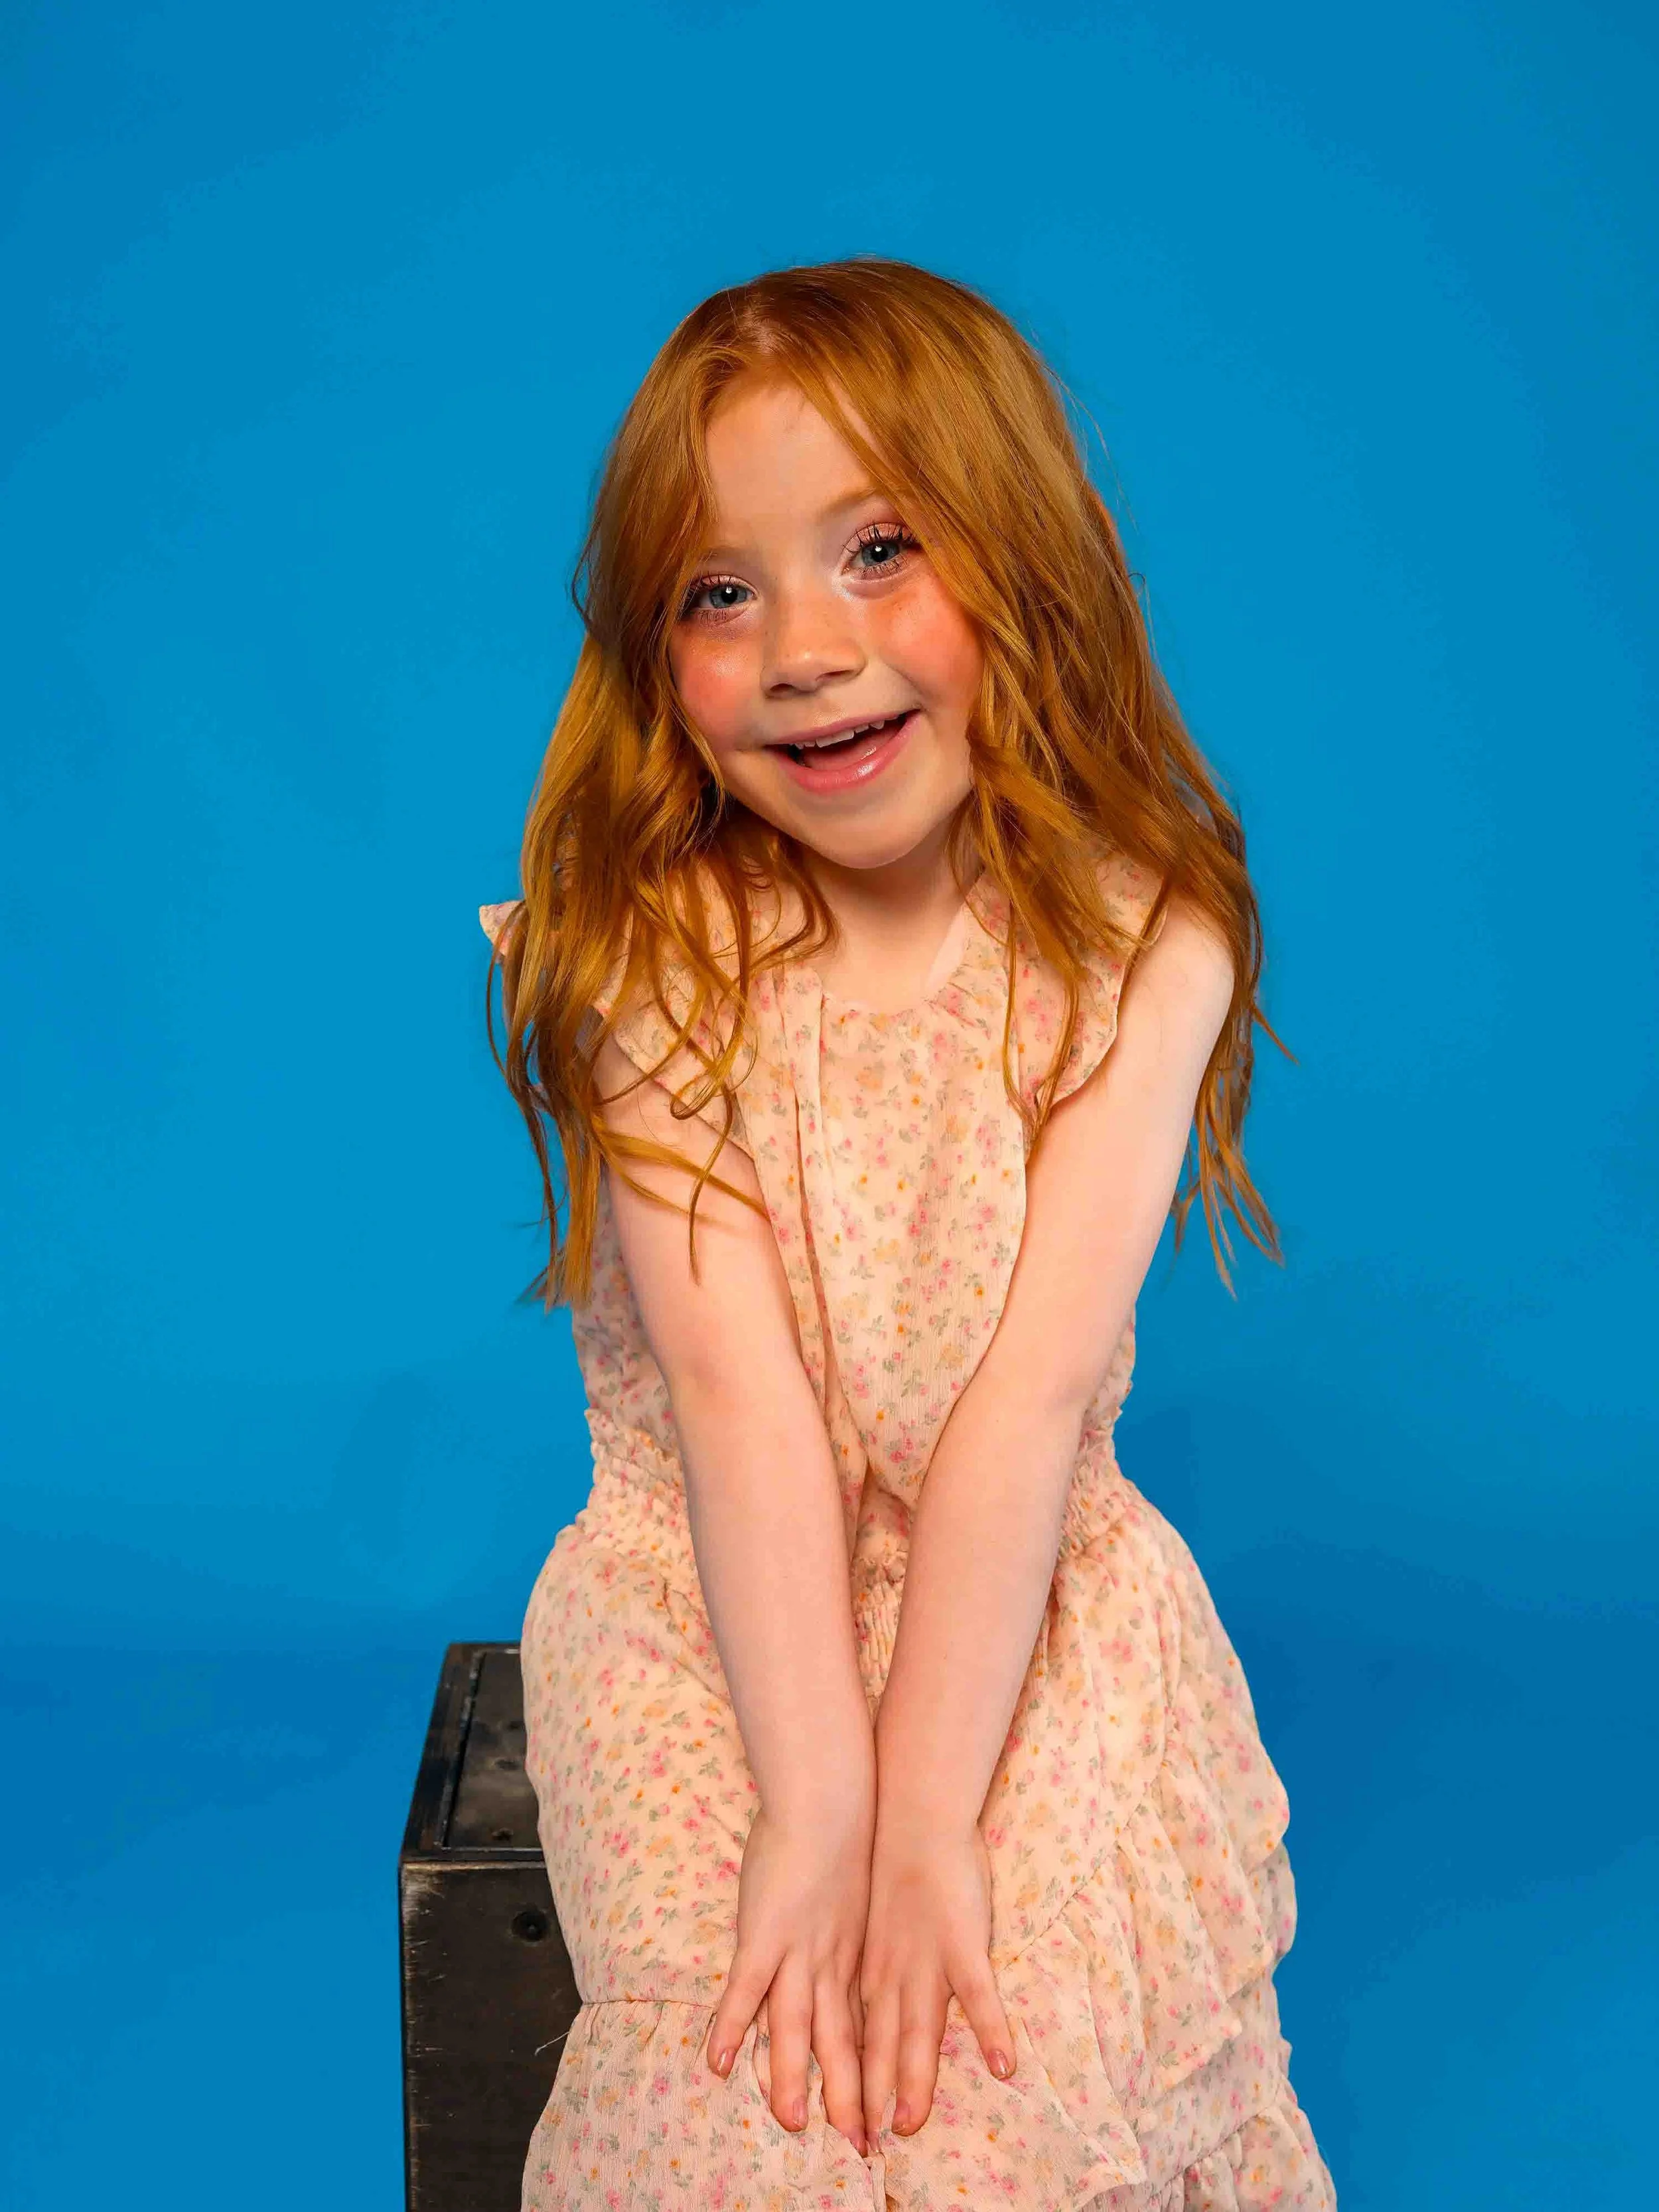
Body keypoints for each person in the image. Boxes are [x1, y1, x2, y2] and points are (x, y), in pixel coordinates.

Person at [480, 258, 1337, 2211]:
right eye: (723, 589)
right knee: (748, 2073)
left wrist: (925, 1824)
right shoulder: (649, 954)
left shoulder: (1139, 948)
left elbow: (1022, 1411)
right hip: (714, 1607)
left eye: (878, 550)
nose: (802, 646)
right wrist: (820, 1805)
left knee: (991, 2068)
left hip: (1027, 1590)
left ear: (1020, 564)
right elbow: (737, 1408)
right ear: (656, 648)